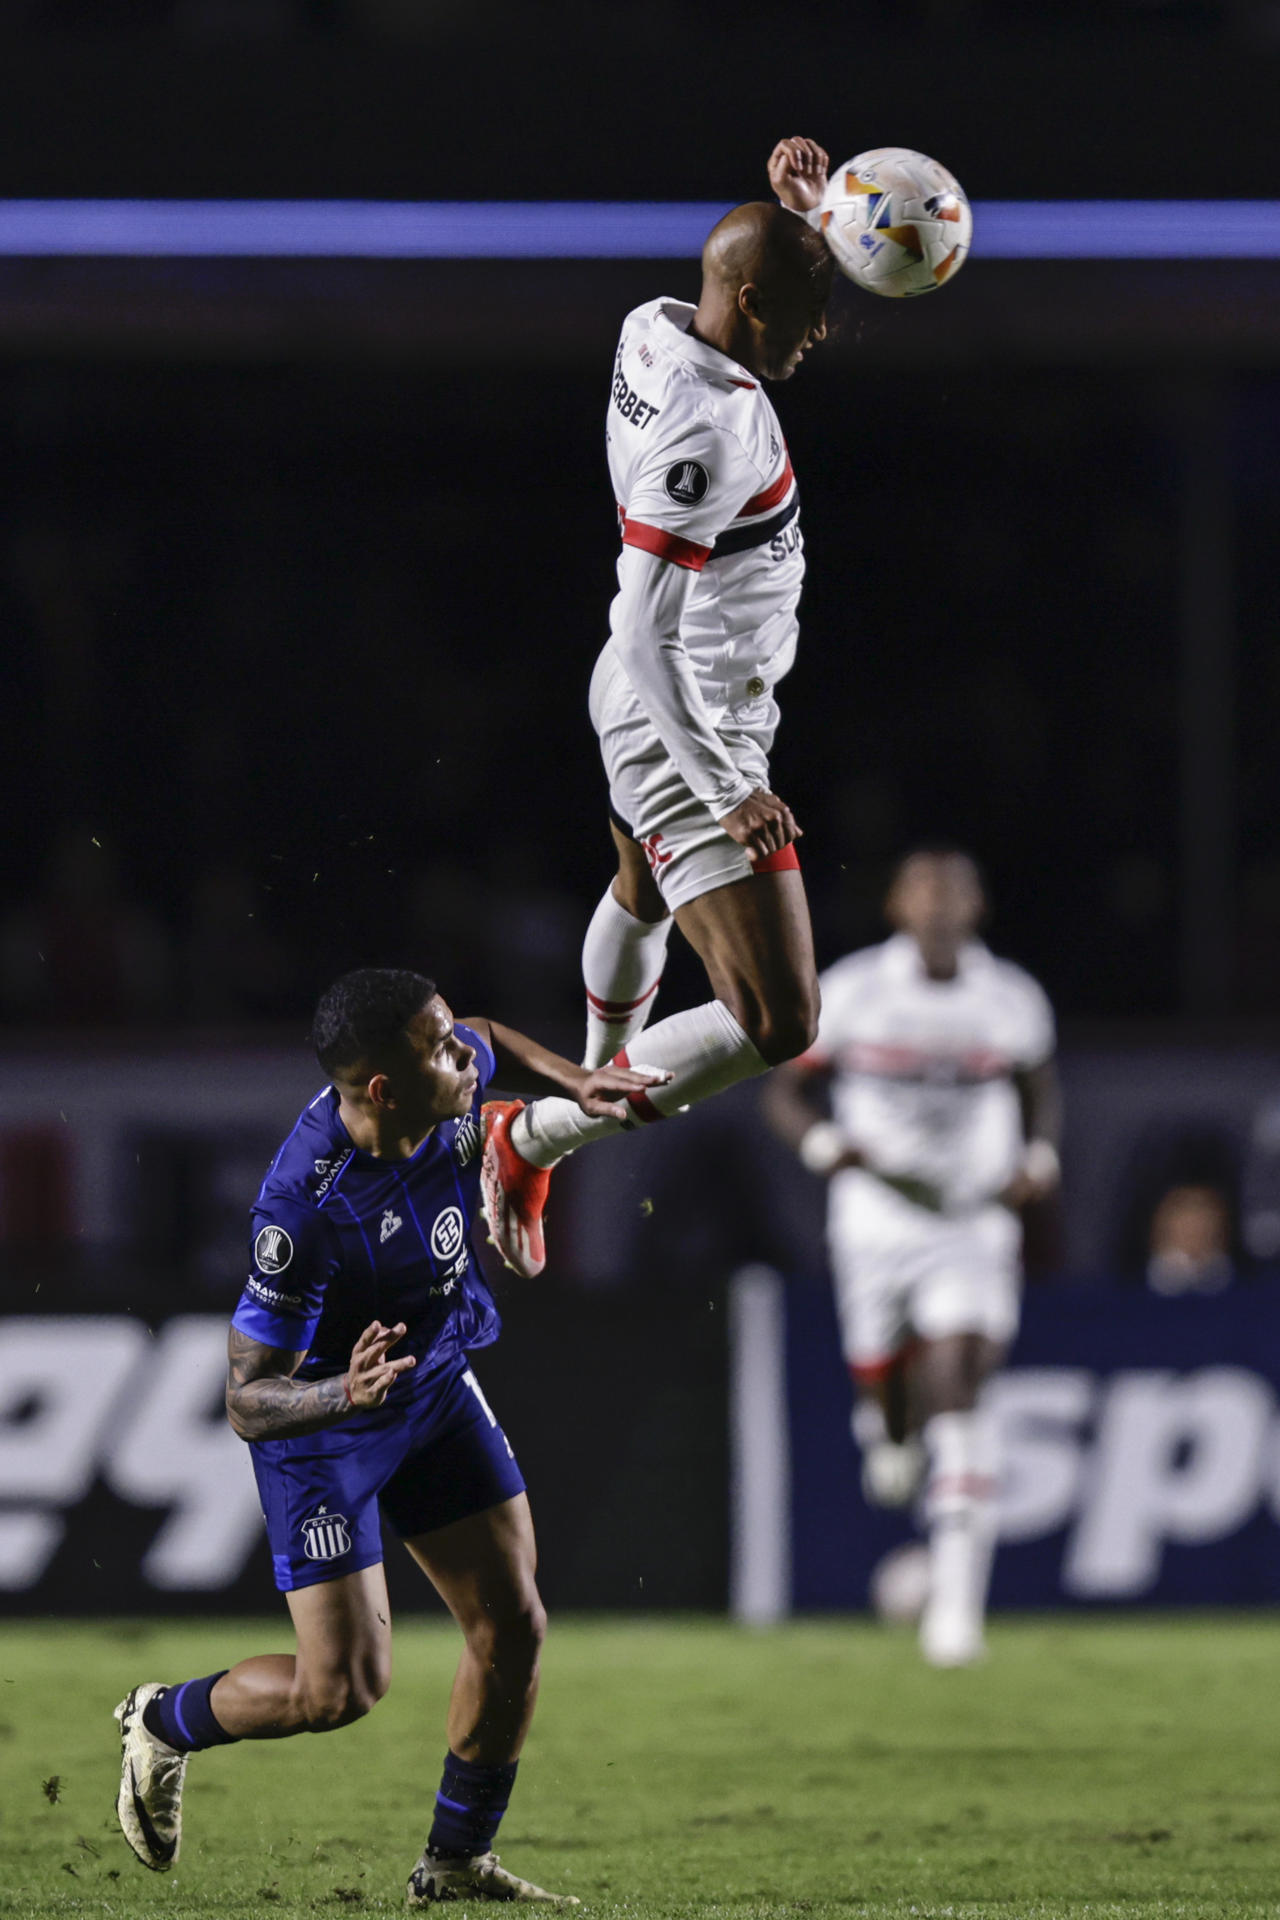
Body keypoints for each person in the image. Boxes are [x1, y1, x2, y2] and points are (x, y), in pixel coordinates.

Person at [113, 967, 664, 1904]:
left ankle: (455, 1864)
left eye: (451, 1038)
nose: (467, 1057)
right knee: (341, 1693)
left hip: (433, 1383)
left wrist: (571, 1077)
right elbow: (248, 1400)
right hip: (328, 1427)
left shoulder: (441, 1076)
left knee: (514, 1623)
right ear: (383, 1090)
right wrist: (344, 1394)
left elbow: (487, 1026)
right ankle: (163, 1721)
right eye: (443, 1049)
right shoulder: (302, 1211)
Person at [482, 137, 836, 1280]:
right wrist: (730, 788)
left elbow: (749, 274)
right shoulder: (708, 428)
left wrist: (805, 223)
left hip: (664, 699)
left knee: (637, 890)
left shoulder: (653, 321)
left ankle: (572, 1106)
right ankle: (534, 1129)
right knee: (779, 1021)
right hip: (682, 716)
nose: (816, 331)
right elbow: (644, 627)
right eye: (801, 307)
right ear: (743, 299)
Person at [761, 850, 1061, 1666]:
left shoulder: (1011, 999)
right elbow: (785, 1092)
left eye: (954, 891)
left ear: (978, 905)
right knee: (890, 1402)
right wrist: (826, 1145)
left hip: (972, 1218)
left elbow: (1039, 1088)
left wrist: (1039, 1156)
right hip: (878, 1220)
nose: (938, 906)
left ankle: (956, 1614)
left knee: (958, 1378)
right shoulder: (855, 991)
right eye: (924, 891)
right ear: (897, 904)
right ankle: (883, 1424)